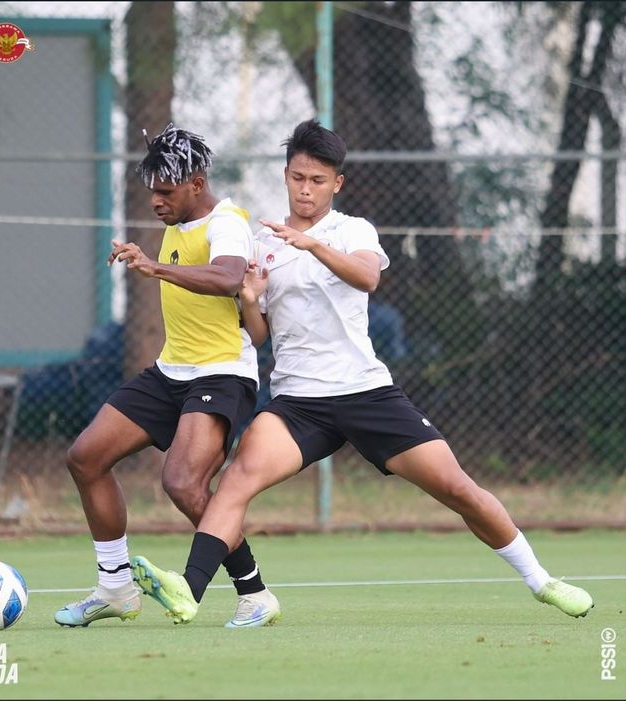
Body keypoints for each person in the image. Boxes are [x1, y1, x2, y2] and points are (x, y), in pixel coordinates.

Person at [129, 119, 594, 625]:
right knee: (237, 479)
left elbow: (368, 276)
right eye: (298, 178)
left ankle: (541, 580)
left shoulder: (351, 230)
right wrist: (250, 300)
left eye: (318, 181)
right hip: (298, 403)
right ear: (286, 175)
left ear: (337, 184)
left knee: (457, 488)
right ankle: (189, 591)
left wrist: (313, 246)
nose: (306, 189)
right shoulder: (262, 244)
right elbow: (259, 337)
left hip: (366, 393)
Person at [54, 123, 280, 629]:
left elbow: (226, 277)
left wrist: (153, 267)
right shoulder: (176, 222)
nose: (156, 201)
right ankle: (115, 587)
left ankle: (255, 595)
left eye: (166, 191)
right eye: (151, 190)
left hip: (222, 374)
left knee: (182, 482)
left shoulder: (227, 222)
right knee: (86, 458)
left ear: (196, 183)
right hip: (170, 370)